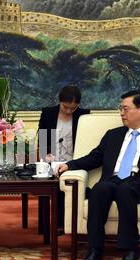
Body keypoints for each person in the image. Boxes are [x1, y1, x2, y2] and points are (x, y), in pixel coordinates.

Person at [56, 90, 140, 260]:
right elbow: (94, 158)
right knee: (100, 189)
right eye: (120, 109)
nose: (121, 113)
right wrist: (70, 165)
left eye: (125, 109)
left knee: (126, 190)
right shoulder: (113, 135)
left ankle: (130, 251)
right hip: (114, 178)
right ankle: (95, 250)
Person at [38, 85, 90, 233]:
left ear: (78, 105)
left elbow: (87, 141)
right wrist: (46, 154)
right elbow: (42, 139)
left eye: (72, 108)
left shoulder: (84, 115)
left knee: (67, 184)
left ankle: (66, 224)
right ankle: (54, 224)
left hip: (74, 161)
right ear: (59, 101)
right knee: (54, 186)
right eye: (65, 107)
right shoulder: (48, 113)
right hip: (52, 159)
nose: (68, 111)